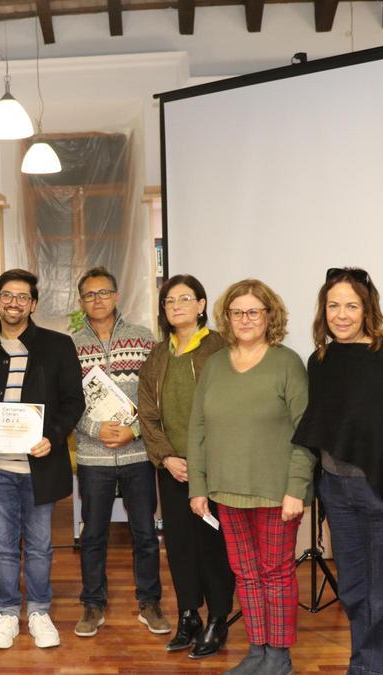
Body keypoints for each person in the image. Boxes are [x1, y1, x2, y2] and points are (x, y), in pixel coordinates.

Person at [292, 267, 383, 675]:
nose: (342, 314)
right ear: (323, 310)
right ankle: (363, 667)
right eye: (333, 305)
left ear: (368, 309)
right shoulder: (321, 360)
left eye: (352, 305)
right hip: (337, 492)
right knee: (353, 591)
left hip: (382, 492)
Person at [188, 278, 312, 675]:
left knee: (276, 574)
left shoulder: (287, 362)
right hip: (226, 490)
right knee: (246, 574)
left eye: (253, 311)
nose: (245, 319)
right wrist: (198, 487)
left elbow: (305, 432)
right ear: (227, 317)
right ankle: (257, 649)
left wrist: (297, 489)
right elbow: (198, 429)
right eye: (237, 312)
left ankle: (280, 655)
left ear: (268, 316)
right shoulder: (215, 365)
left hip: (275, 493)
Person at [0, 268, 85, 650]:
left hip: (38, 465)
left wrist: (52, 437)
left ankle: (38, 611)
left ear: (33, 304)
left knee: (38, 545)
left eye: (22, 297)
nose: (14, 302)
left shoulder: (58, 345)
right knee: (2, 546)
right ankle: (6, 613)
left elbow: (73, 402)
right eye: (7, 295)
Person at [137, 274, 235, 659]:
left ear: (201, 304)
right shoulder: (158, 356)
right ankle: (190, 615)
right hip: (173, 469)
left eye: (184, 299)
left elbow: (230, 411)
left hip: (213, 469)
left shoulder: (220, 348)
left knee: (213, 546)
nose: (176, 306)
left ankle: (218, 619)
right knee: (179, 547)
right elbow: (147, 414)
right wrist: (166, 457)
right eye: (168, 301)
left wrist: (201, 463)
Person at [70, 266, 167, 638]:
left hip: (138, 454)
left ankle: (150, 603)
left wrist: (135, 431)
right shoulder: (72, 345)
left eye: (104, 292)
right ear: (82, 302)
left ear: (116, 296)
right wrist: (94, 428)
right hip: (94, 456)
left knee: (145, 533)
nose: (98, 300)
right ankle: (93, 605)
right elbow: (68, 400)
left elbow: (157, 397)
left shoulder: (143, 340)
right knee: (92, 535)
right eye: (90, 295)